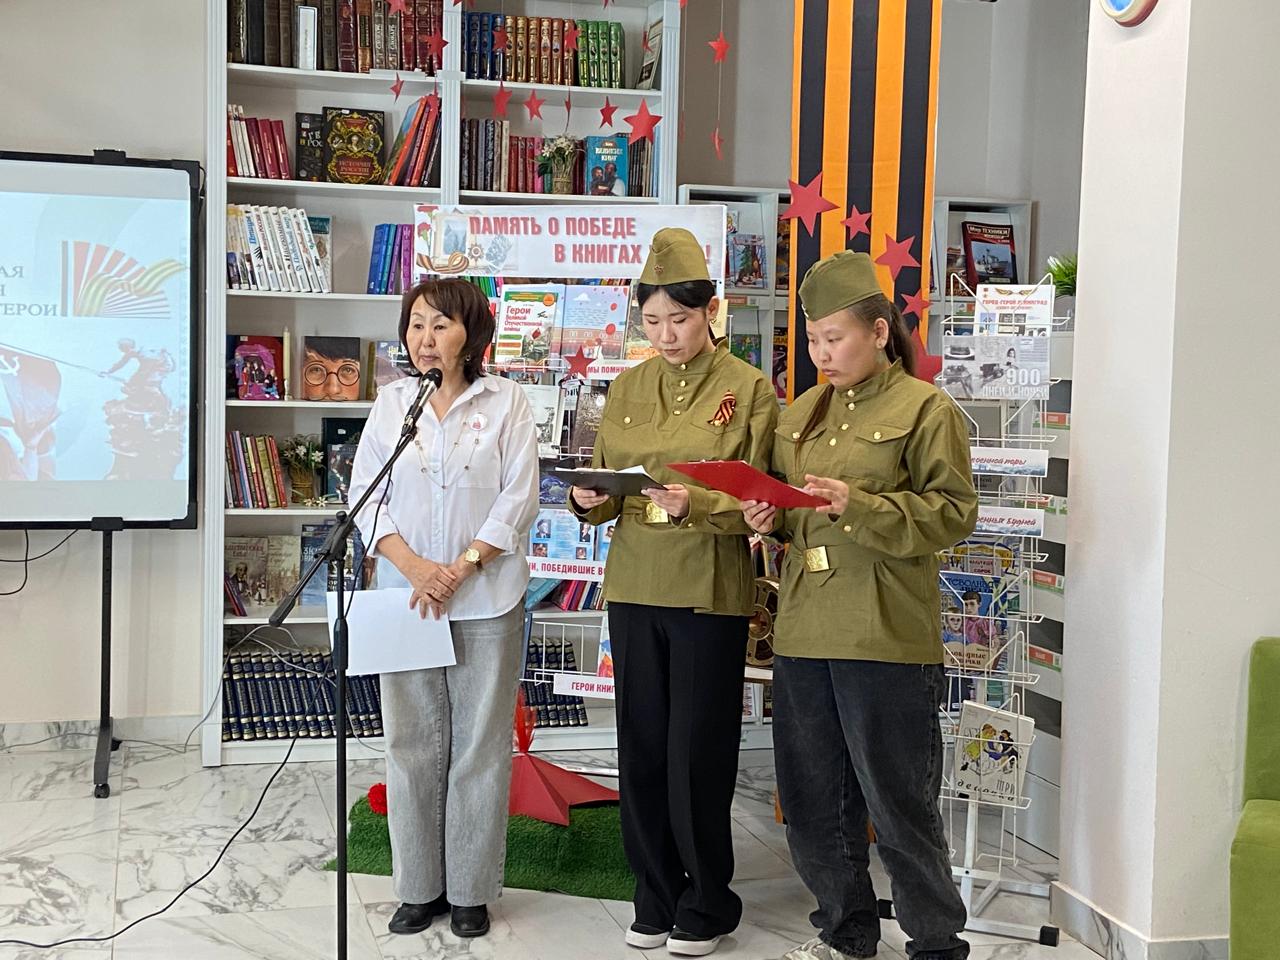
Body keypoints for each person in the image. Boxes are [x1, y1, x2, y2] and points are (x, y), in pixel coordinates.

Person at [741, 250, 978, 960]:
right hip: (804, 628)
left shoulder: (925, 409)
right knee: (813, 800)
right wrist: (767, 517)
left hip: (884, 631)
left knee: (899, 804)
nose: (822, 354)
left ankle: (935, 944)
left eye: (834, 338)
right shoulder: (801, 414)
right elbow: (791, 511)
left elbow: (953, 514)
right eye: (813, 340)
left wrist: (861, 505)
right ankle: (844, 933)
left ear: (878, 332)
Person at [569, 227, 779, 957]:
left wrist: (704, 505)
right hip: (634, 583)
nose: (665, 335)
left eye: (680, 319)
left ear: (711, 311)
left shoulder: (749, 389)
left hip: (708, 589)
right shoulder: (627, 387)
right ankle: (653, 893)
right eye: (652, 320)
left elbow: (765, 499)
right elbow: (606, 485)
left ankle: (707, 900)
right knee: (641, 745)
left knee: (698, 751)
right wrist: (589, 498)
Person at [348, 277, 540, 940]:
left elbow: (518, 497)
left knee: (478, 747)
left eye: (440, 325)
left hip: (486, 596)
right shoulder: (391, 404)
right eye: (416, 325)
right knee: (410, 743)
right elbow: (366, 497)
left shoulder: (507, 401)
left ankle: (470, 891)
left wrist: (461, 567)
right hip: (408, 599)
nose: (425, 339)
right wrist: (416, 568)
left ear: (471, 333)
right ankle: (417, 888)